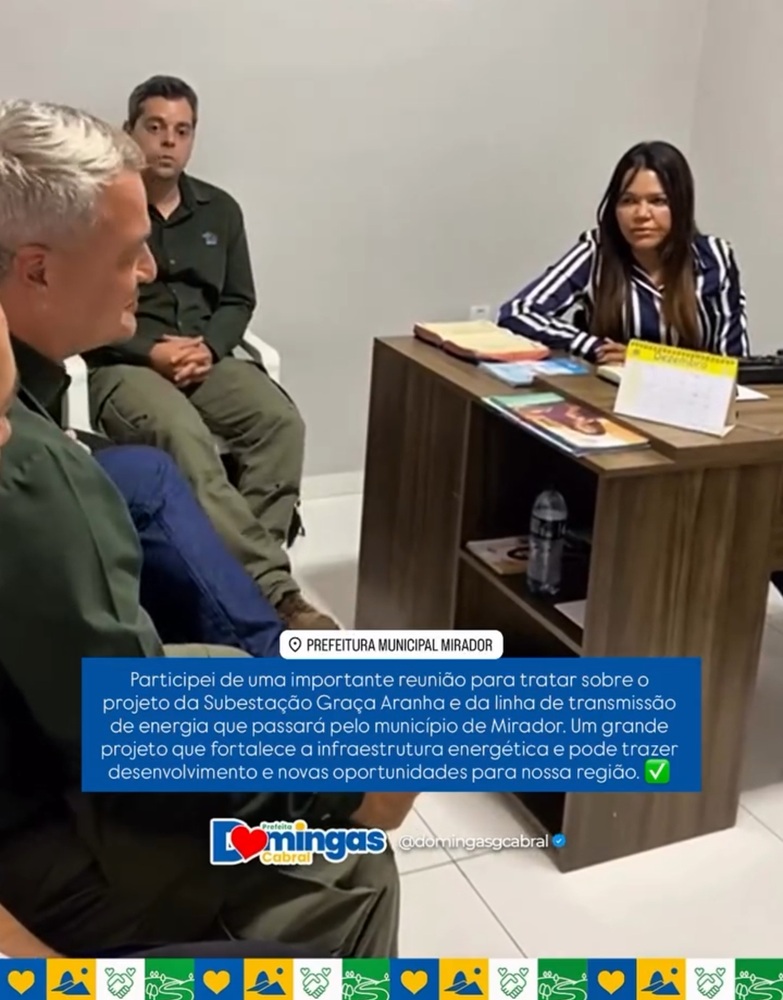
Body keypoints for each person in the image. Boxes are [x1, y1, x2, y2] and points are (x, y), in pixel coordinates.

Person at [0, 99, 406, 957]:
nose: (148, 271)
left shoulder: (35, 421)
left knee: (223, 662)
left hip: (47, 733)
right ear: (35, 271)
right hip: (35, 824)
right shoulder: (31, 469)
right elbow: (127, 739)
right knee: (355, 868)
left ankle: (284, 640)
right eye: (126, 255)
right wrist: (334, 793)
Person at [84, 75, 335, 631]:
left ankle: (236, 584)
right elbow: (84, 305)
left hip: (206, 357)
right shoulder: (99, 207)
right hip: (125, 364)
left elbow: (239, 299)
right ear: (129, 131)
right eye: (155, 127)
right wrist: (151, 351)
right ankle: (274, 593)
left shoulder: (220, 210)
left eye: (182, 131)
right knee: (184, 437)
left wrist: (211, 348)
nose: (168, 142)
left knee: (280, 424)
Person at [497, 140, 750, 363]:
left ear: (681, 205)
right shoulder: (597, 250)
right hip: (608, 393)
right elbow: (519, 312)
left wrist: (644, 358)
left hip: (691, 395)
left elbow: (733, 364)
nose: (641, 214)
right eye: (628, 201)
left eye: (658, 201)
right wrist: (593, 346)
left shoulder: (714, 258)